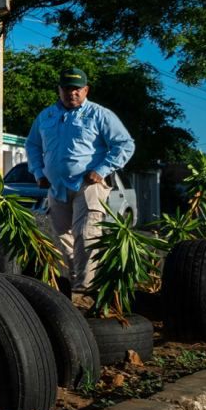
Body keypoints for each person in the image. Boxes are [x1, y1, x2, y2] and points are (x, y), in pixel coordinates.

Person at [26, 67, 135, 300]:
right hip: (56, 187)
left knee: (86, 235)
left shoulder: (100, 114)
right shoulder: (46, 116)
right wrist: (38, 172)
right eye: (67, 88)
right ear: (59, 90)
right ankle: (73, 284)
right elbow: (32, 145)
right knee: (60, 237)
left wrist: (102, 170)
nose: (72, 93)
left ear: (86, 90)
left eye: (77, 89)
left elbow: (125, 144)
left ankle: (85, 290)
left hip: (88, 186)